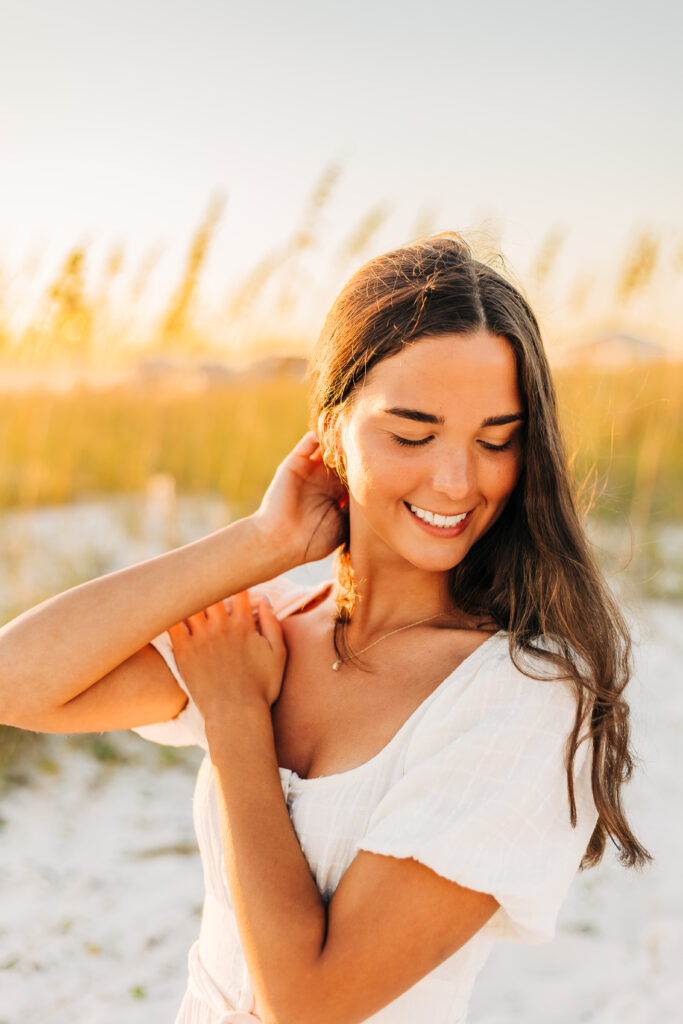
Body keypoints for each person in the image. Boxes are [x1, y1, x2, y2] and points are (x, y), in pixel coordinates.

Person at [0, 232, 650, 1024]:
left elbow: (309, 1006)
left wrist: (240, 722)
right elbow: (17, 681)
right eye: (411, 433)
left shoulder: (521, 700)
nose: (455, 480)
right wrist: (260, 544)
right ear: (330, 425)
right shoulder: (276, 629)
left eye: (496, 439)